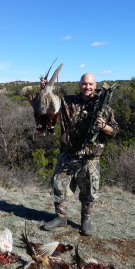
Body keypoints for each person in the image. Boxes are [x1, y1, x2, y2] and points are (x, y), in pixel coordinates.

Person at [43, 73, 119, 235]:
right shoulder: (67, 101)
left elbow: (114, 131)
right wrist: (45, 87)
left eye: (91, 84)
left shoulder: (105, 107)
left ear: (95, 85)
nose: (88, 87)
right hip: (67, 155)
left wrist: (104, 126)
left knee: (89, 191)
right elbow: (50, 102)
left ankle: (86, 220)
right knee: (59, 187)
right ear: (80, 84)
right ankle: (61, 218)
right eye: (84, 84)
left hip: (89, 158)